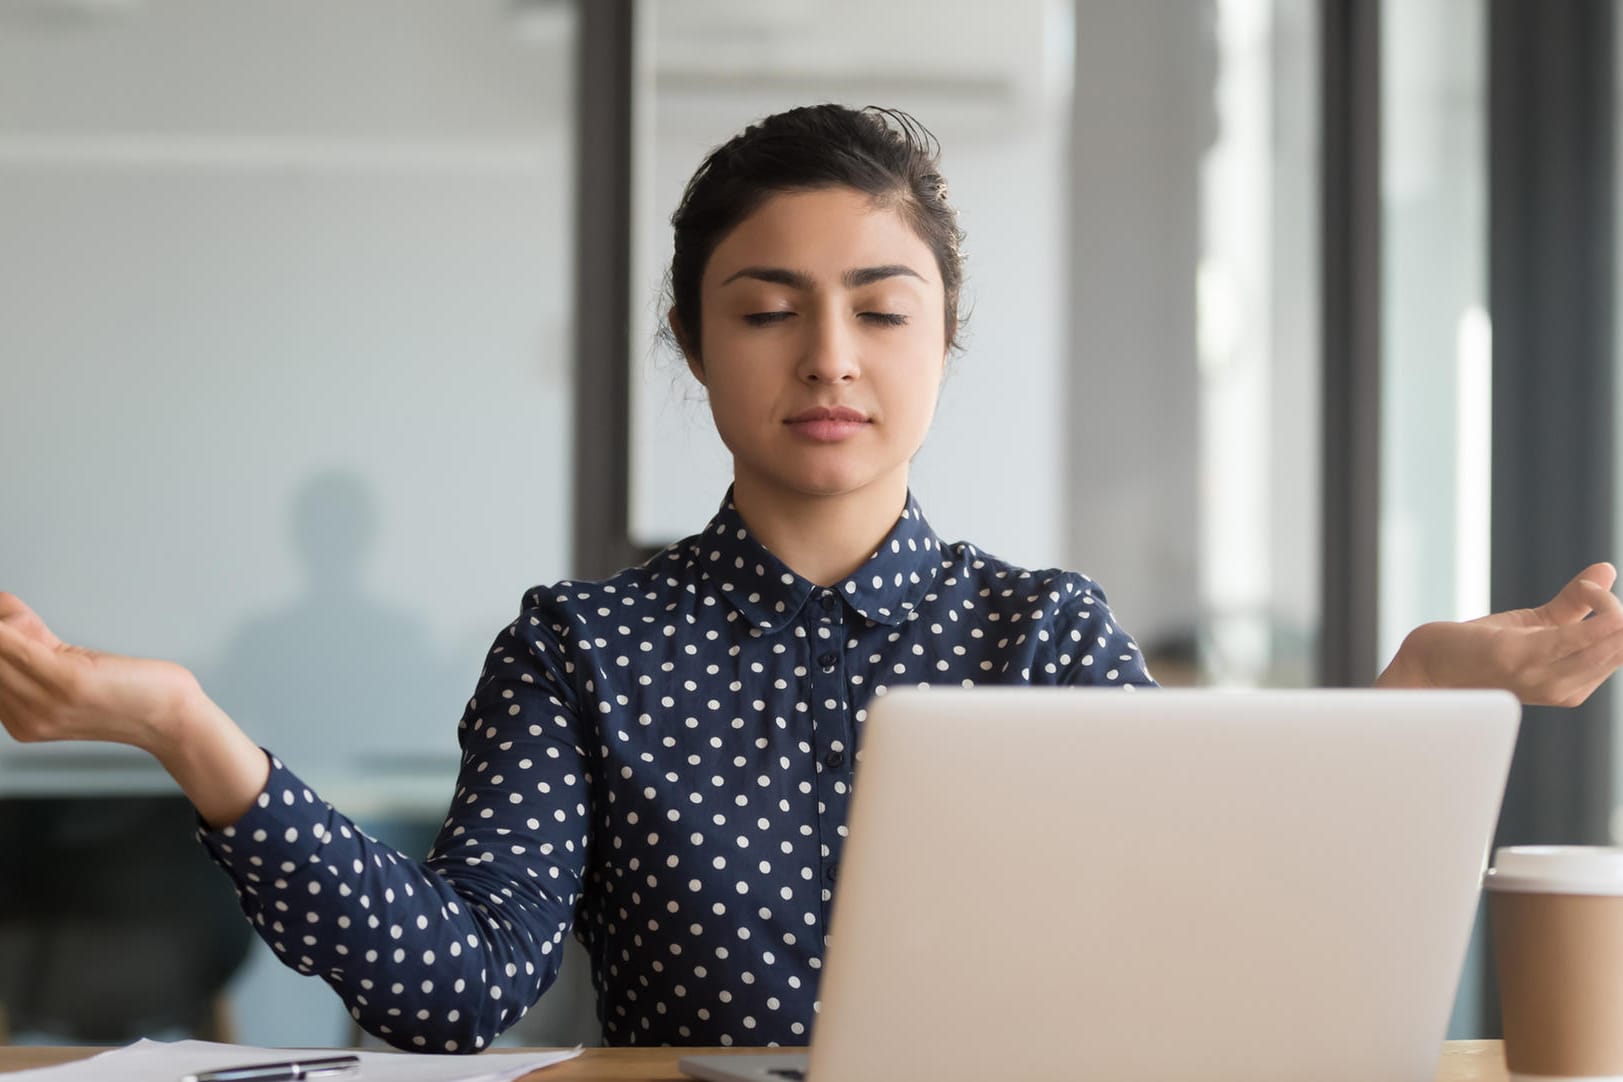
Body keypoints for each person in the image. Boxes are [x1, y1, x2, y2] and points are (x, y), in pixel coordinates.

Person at [2, 104, 1622, 1053]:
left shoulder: (1041, 632)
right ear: (696, 345)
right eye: (768, 307)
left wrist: (1421, 695)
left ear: (944, 340)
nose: (829, 356)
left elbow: (1224, 961)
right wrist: (188, 728)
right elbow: (456, 992)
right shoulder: (584, 646)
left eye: (882, 305)